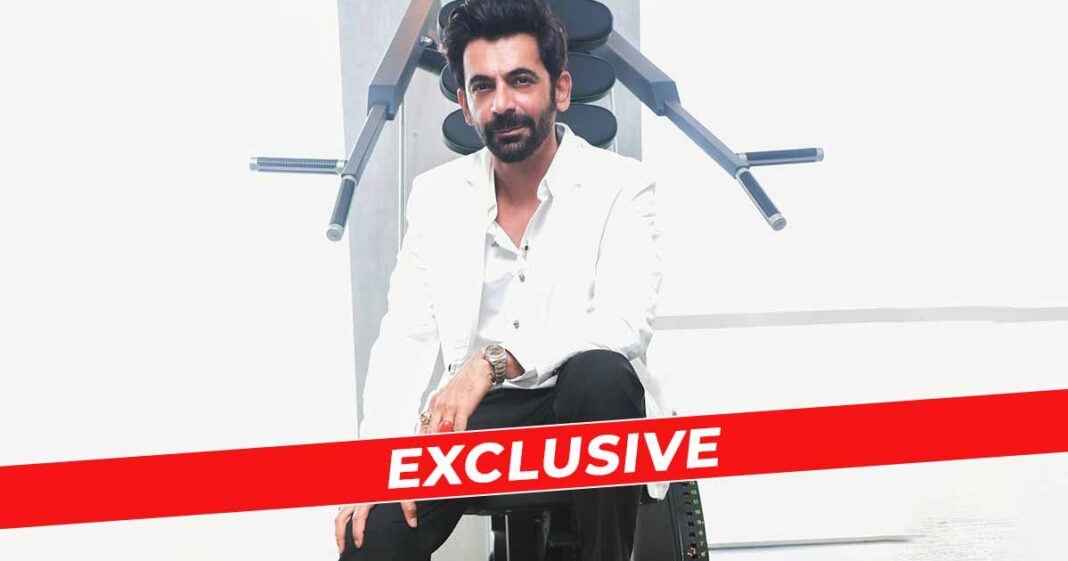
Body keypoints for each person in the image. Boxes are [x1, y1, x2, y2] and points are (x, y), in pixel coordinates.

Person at [335, 0, 667, 559]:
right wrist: (374, 464)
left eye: (521, 81)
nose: (503, 103)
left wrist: (492, 363)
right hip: (477, 419)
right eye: (483, 87)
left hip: (583, 408)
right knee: (370, 536)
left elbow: (623, 323)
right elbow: (404, 340)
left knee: (601, 374)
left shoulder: (622, 186)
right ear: (466, 106)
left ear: (561, 90)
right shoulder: (436, 196)